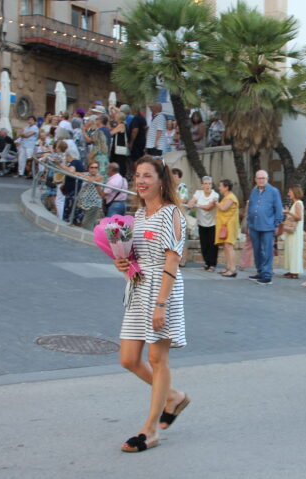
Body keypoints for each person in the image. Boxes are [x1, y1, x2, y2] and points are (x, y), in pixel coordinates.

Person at [113, 155, 188, 453]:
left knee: (158, 360)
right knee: (128, 359)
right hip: (138, 287)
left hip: (162, 290)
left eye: (147, 175)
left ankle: (150, 431)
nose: (141, 181)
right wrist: (123, 263)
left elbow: (173, 258)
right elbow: (136, 256)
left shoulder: (172, 214)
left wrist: (162, 303)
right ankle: (174, 396)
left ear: (161, 180)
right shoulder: (139, 215)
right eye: (137, 176)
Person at [246, 170, 284, 285]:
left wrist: (276, 224)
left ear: (267, 179)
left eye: (263, 178)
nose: (261, 180)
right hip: (254, 226)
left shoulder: (273, 191)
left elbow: (278, 209)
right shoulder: (254, 191)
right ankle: (260, 271)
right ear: (255, 179)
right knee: (257, 250)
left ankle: (267, 275)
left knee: (267, 251)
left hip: (267, 226)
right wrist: (249, 221)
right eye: (259, 178)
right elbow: (251, 206)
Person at [187, 176, 220, 272]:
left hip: (213, 223)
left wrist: (197, 205)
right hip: (202, 223)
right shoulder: (198, 193)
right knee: (204, 244)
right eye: (205, 183)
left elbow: (209, 207)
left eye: (209, 183)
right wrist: (191, 203)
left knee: (212, 245)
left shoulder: (215, 195)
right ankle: (206, 263)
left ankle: (212, 264)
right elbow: (192, 200)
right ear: (202, 185)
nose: (207, 185)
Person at [215, 178, 240, 277]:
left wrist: (216, 203)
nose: (219, 188)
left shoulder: (231, 197)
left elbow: (223, 208)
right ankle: (228, 267)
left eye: (221, 186)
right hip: (225, 225)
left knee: (229, 246)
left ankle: (233, 269)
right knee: (225, 246)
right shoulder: (227, 197)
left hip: (230, 225)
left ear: (226, 187)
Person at [282, 185, 304, 279]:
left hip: (295, 232)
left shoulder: (298, 203)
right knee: (291, 250)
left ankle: (295, 272)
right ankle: (292, 270)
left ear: (295, 192)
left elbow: (299, 217)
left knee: (294, 250)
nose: (288, 194)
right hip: (292, 232)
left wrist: (288, 213)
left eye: (290, 192)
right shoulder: (296, 203)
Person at [75, 161, 105, 230]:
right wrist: (84, 176)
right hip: (83, 203)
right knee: (88, 223)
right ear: (88, 168)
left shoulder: (99, 176)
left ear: (98, 169)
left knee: (86, 224)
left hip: (94, 204)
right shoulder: (86, 174)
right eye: (92, 167)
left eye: (96, 168)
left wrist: (85, 177)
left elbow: (93, 180)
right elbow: (75, 173)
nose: (93, 169)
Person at [128, 107, 148, 175]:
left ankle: (137, 175)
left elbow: (135, 130)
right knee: (140, 159)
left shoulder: (135, 118)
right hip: (142, 141)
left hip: (136, 142)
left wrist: (131, 142)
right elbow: (146, 128)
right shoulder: (143, 118)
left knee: (135, 159)